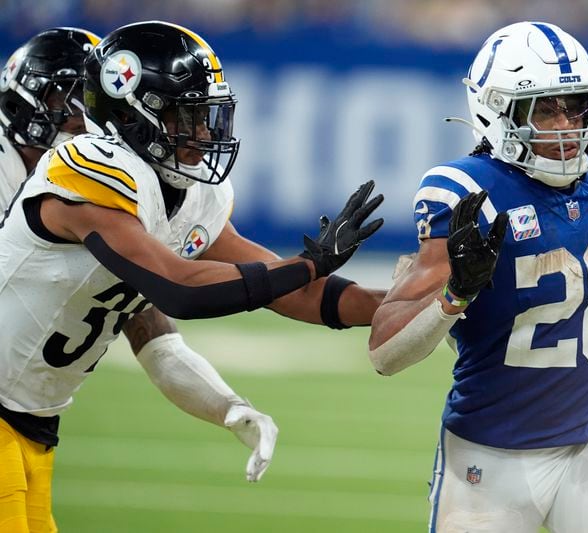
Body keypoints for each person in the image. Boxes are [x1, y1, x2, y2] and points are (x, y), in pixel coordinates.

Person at [0, 21, 384, 533]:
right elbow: (178, 287)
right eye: (188, 116)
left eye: (208, 116)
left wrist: (421, 302)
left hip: (31, 424)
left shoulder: (184, 197)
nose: (205, 134)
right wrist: (311, 261)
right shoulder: (86, 171)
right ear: (133, 116)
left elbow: (292, 290)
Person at [368, 22, 588, 533]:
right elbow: (384, 352)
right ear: (497, 112)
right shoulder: (469, 194)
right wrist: (456, 292)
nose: (566, 124)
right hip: (491, 462)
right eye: (545, 108)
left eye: (575, 104)